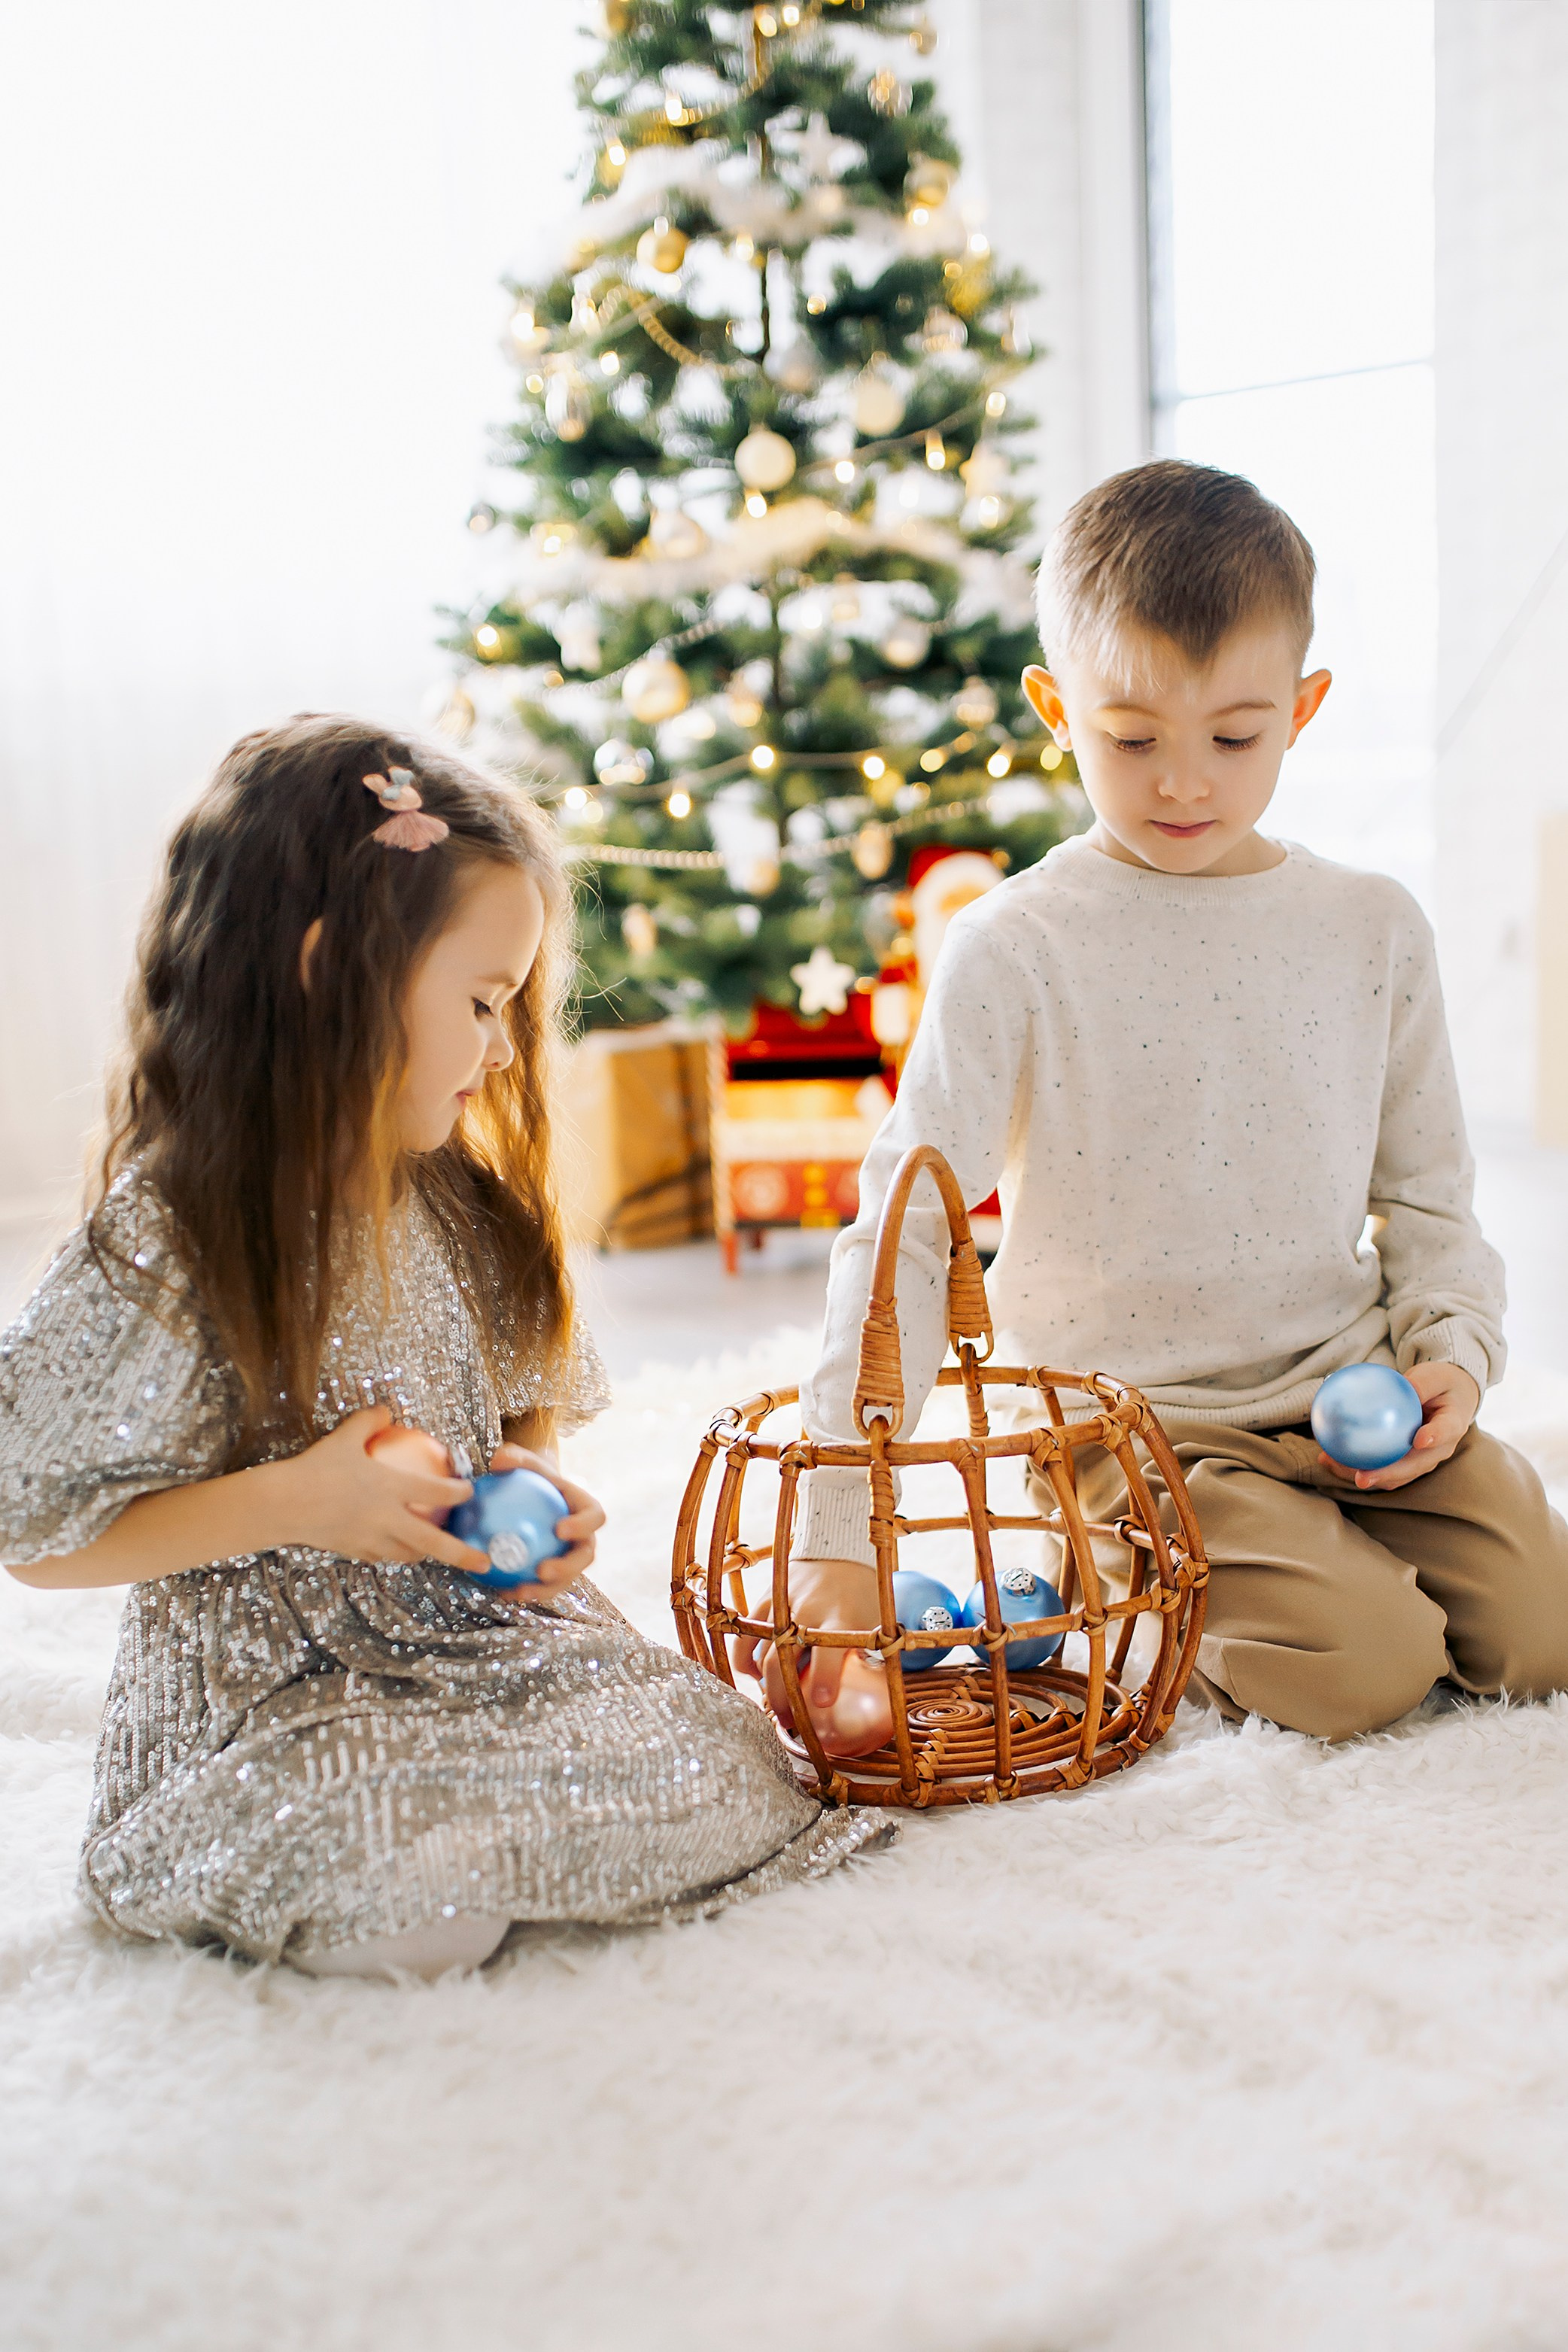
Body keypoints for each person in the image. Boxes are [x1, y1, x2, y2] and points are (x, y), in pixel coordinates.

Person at [0, 716, 886, 1979]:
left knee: (725, 1751)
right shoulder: (173, 1235)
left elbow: (527, 1405)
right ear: (331, 973)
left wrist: (538, 1483)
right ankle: (445, 1864)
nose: (508, 1045)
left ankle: (482, 1852)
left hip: (478, 1649)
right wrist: (298, 1500)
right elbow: (32, 1535)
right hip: (276, 1710)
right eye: (481, 1001)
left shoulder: (455, 1204)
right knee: (381, 1845)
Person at [769, 459, 1568, 1756]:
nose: (1184, 783)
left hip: (1347, 1389)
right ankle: (1108, 1581)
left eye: (1234, 736)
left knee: (1546, 1629)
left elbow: (1427, 1196)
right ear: (1054, 705)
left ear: (1303, 711)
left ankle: (1303, 1549)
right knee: (1369, 1664)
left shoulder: (1372, 928)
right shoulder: (1014, 946)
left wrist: (1450, 1359)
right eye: (1133, 738)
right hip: (1131, 1428)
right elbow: (907, 1225)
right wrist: (836, 1526)